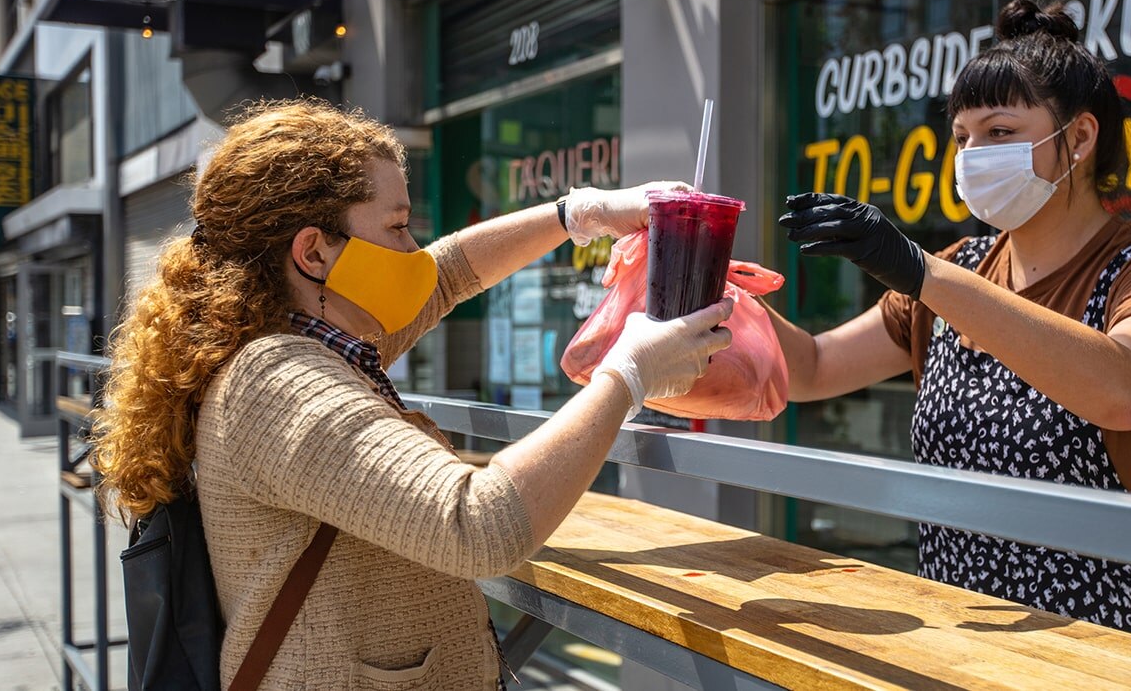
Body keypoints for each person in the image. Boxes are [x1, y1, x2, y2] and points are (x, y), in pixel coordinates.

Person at [92, 99, 732, 689]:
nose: (413, 248)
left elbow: (446, 274)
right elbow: (478, 524)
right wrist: (628, 373)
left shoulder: (302, 335)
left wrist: (576, 215)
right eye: (397, 227)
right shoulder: (275, 380)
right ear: (314, 252)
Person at [767, 0, 1131, 661]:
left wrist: (921, 273)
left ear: (1079, 138)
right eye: (962, 137)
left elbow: (1126, 388)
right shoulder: (960, 268)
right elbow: (812, 368)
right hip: (975, 644)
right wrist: (708, 279)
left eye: (999, 131)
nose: (973, 155)